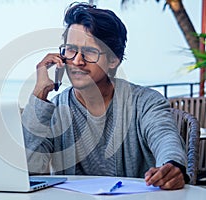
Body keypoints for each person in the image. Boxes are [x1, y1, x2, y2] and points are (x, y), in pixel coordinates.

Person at [22, 2, 189, 190]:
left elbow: (165, 137)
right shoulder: (54, 110)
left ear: (113, 59)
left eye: (90, 52)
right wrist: (39, 94)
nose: (77, 61)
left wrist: (172, 166)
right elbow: (29, 170)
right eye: (70, 50)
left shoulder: (145, 102)